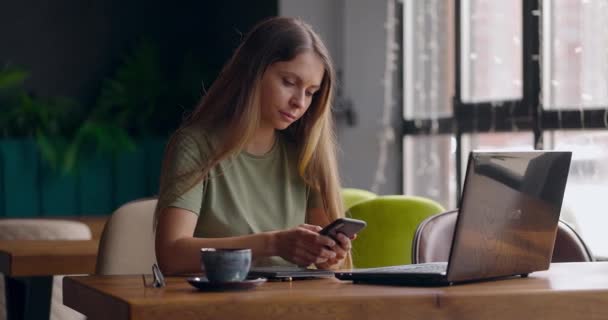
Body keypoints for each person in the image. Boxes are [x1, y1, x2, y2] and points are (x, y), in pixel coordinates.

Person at [154, 16, 353, 275]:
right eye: (289, 82)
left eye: (310, 92)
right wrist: (272, 244)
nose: (299, 102)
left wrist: (329, 255)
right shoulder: (195, 146)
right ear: (252, 73)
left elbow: (328, 263)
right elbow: (172, 255)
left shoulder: (304, 153)